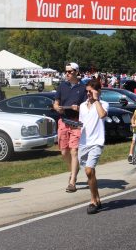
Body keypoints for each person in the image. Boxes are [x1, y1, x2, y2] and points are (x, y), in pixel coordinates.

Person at [53, 62, 87, 193]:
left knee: (74, 151)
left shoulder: (83, 88)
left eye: (70, 71)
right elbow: (56, 103)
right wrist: (57, 108)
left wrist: (78, 108)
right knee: (64, 152)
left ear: (76, 72)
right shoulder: (62, 86)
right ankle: (74, 169)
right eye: (66, 71)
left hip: (76, 122)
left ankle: (72, 181)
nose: (67, 74)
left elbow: (86, 107)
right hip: (63, 120)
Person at [78, 79, 108, 214]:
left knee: (89, 171)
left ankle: (92, 201)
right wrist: (76, 126)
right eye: (87, 91)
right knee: (90, 173)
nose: (88, 94)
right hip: (83, 142)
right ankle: (97, 199)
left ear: (97, 91)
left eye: (91, 91)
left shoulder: (103, 104)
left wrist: (96, 100)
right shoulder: (82, 106)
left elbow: (102, 115)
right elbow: (81, 123)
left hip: (96, 141)